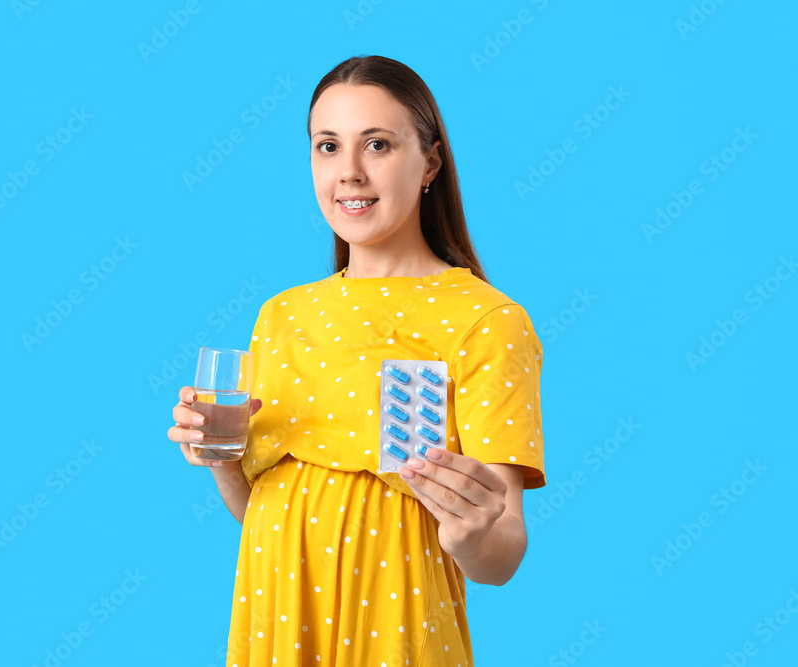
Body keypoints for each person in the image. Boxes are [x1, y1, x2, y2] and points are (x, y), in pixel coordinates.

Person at [168, 55, 547, 667]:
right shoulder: (281, 316)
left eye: (377, 144)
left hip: (399, 630)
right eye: (327, 146)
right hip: (277, 622)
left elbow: (502, 554)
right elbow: (266, 509)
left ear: (429, 162)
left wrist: (472, 534)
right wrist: (222, 461)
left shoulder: (486, 320)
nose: (348, 172)